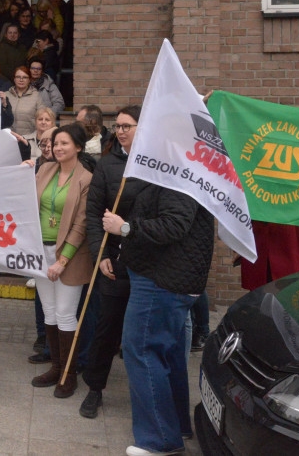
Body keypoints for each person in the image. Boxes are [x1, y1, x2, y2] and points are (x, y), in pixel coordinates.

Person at [102, 113, 215, 456]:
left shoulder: (178, 173)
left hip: (162, 280)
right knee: (166, 355)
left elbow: (174, 226)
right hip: (165, 277)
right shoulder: (176, 169)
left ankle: (159, 442)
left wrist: (124, 228)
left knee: (142, 351)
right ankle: (176, 425)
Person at [79, 105, 146, 420]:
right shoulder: (106, 166)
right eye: (118, 126)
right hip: (114, 262)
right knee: (106, 327)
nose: (120, 131)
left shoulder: (156, 166)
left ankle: (145, 395)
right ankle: (95, 388)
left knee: (142, 333)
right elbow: (93, 214)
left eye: (127, 126)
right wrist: (100, 254)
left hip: (148, 263)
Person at [30, 123, 93, 398]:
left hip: (70, 257)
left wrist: (62, 261)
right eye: (55, 144)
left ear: (78, 147)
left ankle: (69, 374)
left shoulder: (87, 179)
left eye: (64, 143)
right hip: (39, 250)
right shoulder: (44, 170)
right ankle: (56, 367)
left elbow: (81, 225)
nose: (58, 148)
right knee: (49, 311)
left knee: (67, 313)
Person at [6, 66, 42, 137]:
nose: (21, 80)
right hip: (9, 138)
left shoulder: (36, 96)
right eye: (18, 77)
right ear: (14, 79)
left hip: (29, 139)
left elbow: (41, 118)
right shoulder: (5, 95)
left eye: (25, 77)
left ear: (29, 80)